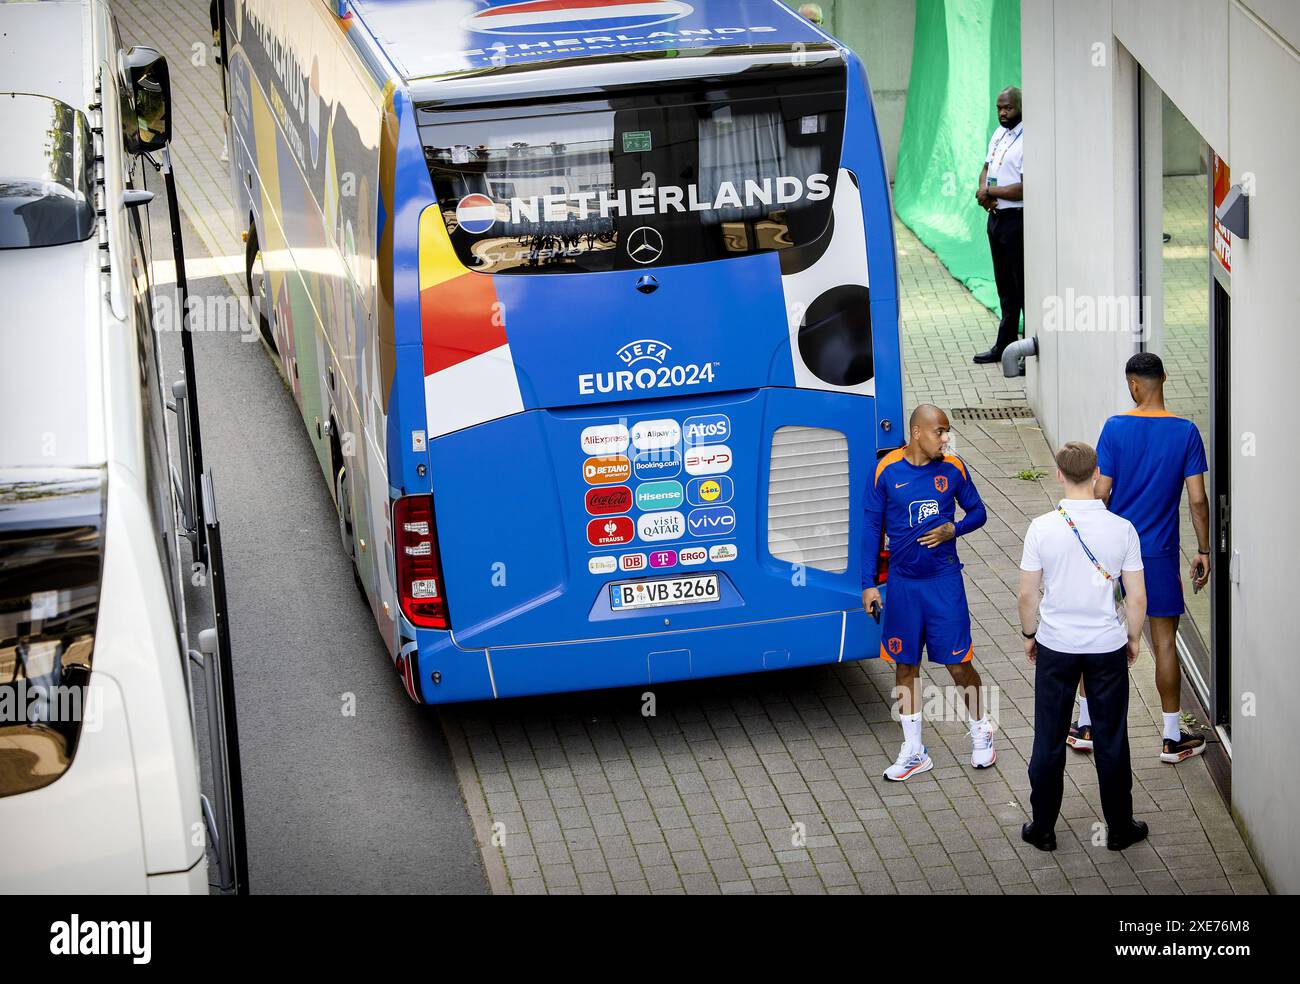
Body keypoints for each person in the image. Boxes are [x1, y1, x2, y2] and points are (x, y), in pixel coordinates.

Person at [1070, 353, 1210, 764]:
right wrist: (1203, 549)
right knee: (1165, 642)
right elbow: (1198, 500)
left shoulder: (1115, 428)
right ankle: (1171, 738)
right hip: (1161, 556)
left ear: (1133, 385)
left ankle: (1085, 726)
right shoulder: (1186, 432)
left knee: (1097, 635)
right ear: (1163, 378)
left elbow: (1101, 492)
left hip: (1114, 554)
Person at [1018, 441, 1149, 852]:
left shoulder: (1041, 527)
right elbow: (1138, 597)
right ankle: (1120, 828)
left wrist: (1028, 635)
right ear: (1096, 475)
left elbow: (1027, 595)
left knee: (1049, 738)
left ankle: (1042, 828)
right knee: (1111, 738)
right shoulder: (1122, 529)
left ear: (1059, 475)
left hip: (1056, 645)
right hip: (1106, 647)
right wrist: (1132, 636)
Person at [861, 405, 994, 781]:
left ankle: (981, 728)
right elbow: (871, 529)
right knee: (905, 666)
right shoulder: (886, 470)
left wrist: (956, 529)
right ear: (917, 432)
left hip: (944, 583)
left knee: (958, 664)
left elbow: (979, 512)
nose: (945, 439)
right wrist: (868, 584)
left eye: (947, 432)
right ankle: (914, 750)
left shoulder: (953, 469)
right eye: (940, 432)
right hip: (903, 586)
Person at [973, 86, 1024, 365]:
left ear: (1019, 107)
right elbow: (986, 168)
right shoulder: (998, 134)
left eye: (1008, 108)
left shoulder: (1028, 139)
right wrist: (984, 192)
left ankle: (1029, 349)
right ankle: (1005, 346)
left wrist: (992, 193)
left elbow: (1025, 188)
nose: (1003, 113)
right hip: (996, 219)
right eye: (999, 108)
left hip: (1017, 222)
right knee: (1004, 287)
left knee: (1022, 287)